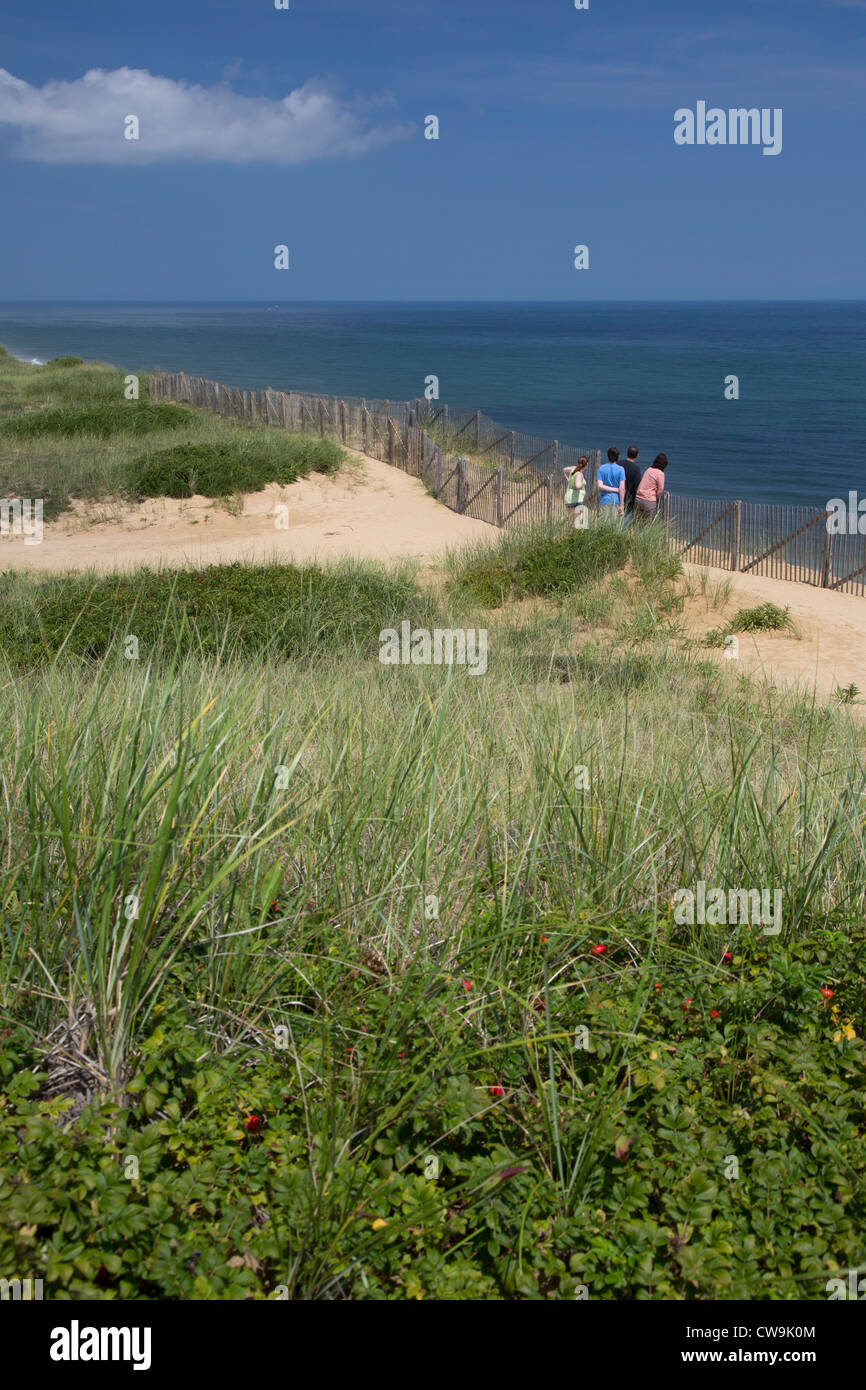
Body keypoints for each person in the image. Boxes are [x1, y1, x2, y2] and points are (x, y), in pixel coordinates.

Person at [634, 452, 668, 520]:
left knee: (637, 522)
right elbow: (660, 490)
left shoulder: (649, 469)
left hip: (638, 498)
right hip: (649, 500)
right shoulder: (660, 473)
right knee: (649, 524)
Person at [596, 447, 625, 517]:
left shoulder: (601, 468)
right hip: (616, 500)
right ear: (618, 456)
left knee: (603, 525)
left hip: (604, 500)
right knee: (616, 526)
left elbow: (600, 485)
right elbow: (622, 488)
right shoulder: (621, 469)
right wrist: (621, 505)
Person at [563, 457, 588, 529]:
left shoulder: (573, 469)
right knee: (579, 524)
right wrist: (579, 486)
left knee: (572, 522)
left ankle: (569, 537)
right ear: (587, 464)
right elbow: (578, 485)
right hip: (576, 500)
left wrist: (568, 480)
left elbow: (564, 469)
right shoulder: (579, 474)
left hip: (569, 499)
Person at [622, 446, 642, 518]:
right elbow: (637, 488)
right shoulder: (636, 469)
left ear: (627, 453)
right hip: (628, 502)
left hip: (616, 498)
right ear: (637, 456)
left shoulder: (618, 464)